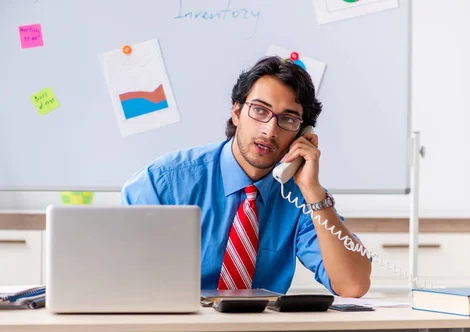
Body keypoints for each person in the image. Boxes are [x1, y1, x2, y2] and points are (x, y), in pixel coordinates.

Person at [121, 56, 371, 297]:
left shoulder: (300, 198)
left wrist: (313, 191)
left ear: (303, 132)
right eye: (260, 111)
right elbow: (124, 278)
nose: (270, 130)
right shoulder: (164, 182)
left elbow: (352, 286)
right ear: (237, 113)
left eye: (288, 119)